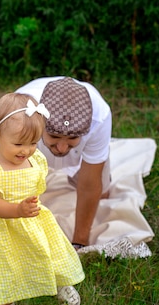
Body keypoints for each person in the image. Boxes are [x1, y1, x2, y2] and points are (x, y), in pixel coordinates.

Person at [0, 93, 85, 305]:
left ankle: (62, 286)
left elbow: (35, 188)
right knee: (3, 282)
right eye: (19, 143)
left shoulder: (35, 160)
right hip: (0, 231)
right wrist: (18, 209)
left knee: (47, 258)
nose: (26, 150)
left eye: (34, 142)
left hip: (33, 225)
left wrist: (29, 210)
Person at [14, 76, 112, 250]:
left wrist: (79, 243)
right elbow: (1, 165)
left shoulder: (100, 116)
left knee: (102, 193)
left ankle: (74, 169)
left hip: (79, 153)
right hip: (33, 145)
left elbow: (90, 185)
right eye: (55, 137)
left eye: (72, 138)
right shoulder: (19, 114)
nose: (61, 147)